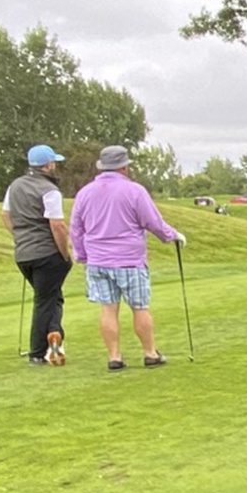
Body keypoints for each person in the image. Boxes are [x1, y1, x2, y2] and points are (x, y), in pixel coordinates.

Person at [69, 145, 185, 370]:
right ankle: (150, 353)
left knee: (108, 309)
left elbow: (76, 228)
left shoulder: (85, 193)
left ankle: (114, 357)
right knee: (140, 307)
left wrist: (82, 255)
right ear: (124, 167)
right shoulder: (135, 191)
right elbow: (152, 222)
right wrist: (172, 236)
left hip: (98, 261)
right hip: (129, 260)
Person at [1, 144, 73, 366]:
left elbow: (5, 215)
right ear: (48, 165)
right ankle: (37, 351)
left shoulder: (15, 186)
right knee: (45, 300)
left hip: (23, 254)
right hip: (47, 253)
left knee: (51, 296)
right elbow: (57, 225)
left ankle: (54, 334)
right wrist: (65, 254)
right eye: (54, 163)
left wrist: (21, 237)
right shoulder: (49, 190)